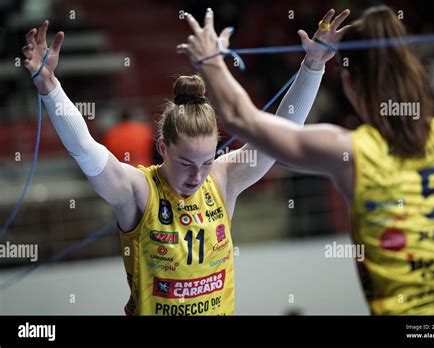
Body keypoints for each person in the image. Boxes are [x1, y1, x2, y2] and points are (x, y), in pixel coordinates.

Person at [22, 18, 332, 315]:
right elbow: (85, 148)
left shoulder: (224, 179)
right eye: (186, 162)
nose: (198, 175)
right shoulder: (138, 191)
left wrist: (314, 66)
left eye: (207, 161)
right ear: (162, 148)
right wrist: (50, 86)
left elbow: (281, 134)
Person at [178, 6, 434, 315]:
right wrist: (311, 66)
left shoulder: (351, 151)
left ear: (349, 81)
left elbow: (243, 118)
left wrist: (210, 60)